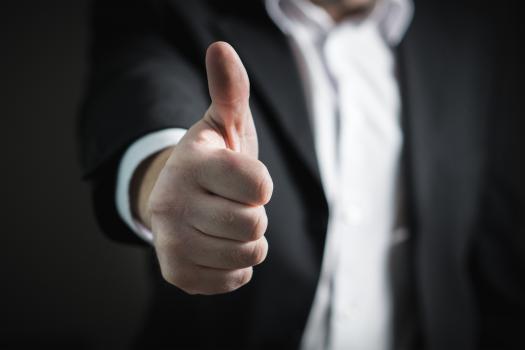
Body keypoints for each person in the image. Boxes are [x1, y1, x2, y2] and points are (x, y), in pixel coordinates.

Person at [78, 0, 523, 349]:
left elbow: (497, 259)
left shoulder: (479, 27)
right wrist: (165, 185)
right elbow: (143, 102)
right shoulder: (174, 9)